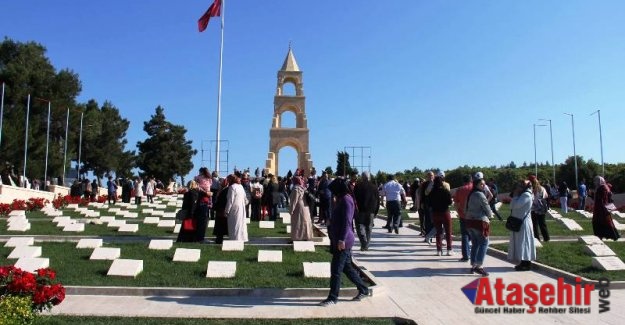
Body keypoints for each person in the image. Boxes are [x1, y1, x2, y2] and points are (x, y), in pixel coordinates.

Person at [319, 178, 371, 306]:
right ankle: (364, 289)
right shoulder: (342, 199)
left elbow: (347, 223)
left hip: (344, 240)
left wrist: (342, 239)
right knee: (347, 268)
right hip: (340, 239)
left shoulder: (347, 200)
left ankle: (332, 297)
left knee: (336, 270)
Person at [465, 177, 493, 276]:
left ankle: (473, 264)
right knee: (484, 243)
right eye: (481, 184)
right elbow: (487, 207)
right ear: (476, 185)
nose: (483, 186)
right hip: (479, 222)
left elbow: (466, 208)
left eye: (484, 184)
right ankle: (479, 265)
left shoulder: (471, 194)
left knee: (475, 243)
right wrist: (490, 215)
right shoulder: (480, 195)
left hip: (469, 221)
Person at [508, 179, 536, 271]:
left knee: (524, 243)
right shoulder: (523, 195)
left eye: (521, 186)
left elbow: (514, 206)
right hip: (520, 221)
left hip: (524, 223)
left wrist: (515, 195)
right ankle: (523, 262)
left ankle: (526, 263)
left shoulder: (526, 195)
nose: (518, 187)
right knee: (521, 243)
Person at [353, 171, 380, 251]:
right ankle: (366, 245)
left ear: (362, 177)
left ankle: (363, 243)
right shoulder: (374, 187)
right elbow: (377, 200)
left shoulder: (357, 186)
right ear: (369, 177)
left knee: (359, 227)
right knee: (369, 229)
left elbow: (355, 199)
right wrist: (376, 211)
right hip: (371, 211)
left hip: (360, 210)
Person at [429, 172, 453, 256]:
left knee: (438, 232)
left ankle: (439, 250)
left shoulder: (432, 193)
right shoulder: (445, 191)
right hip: (445, 212)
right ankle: (449, 249)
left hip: (435, 213)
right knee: (448, 231)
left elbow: (429, 203)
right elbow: (450, 202)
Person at [591, 176, 620, 241]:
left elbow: (604, 199)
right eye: (595, 180)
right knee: (598, 221)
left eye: (596, 180)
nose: (595, 182)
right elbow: (597, 198)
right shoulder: (599, 187)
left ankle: (612, 235)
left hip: (602, 208)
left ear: (600, 181)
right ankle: (600, 235)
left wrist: (602, 207)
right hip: (598, 208)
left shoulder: (603, 187)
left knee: (604, 221)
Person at [453, 175, 473, 262]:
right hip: (474, 215)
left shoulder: (460, 190)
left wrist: (458, 212)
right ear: (471, 180)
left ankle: (465, 255)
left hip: (463, 215)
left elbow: (456, 203)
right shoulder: (474, 188)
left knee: (464, 234)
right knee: (474, 234)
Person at [225, 174, 249, 242]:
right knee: (241, 223)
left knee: (235, 224)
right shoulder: (240, 186)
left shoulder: (232, 187)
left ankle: (235, 238)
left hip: (234, 208)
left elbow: (230, 200)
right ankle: (243, 238)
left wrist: (227, 211)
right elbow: (245, 199)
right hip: (241, 207)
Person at [289, 174, 313, 241]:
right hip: (305, 207)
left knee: (298, 223)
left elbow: (294, 200)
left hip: (298, 207)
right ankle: (306, 236)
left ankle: (297, 237)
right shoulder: (303, 187)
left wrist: (291, 210)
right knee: (305, 223)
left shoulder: (296, 189)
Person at [529, 175, 550, 242]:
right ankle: (546, 238)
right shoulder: (542, 188)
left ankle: (536, 238)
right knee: (542, 224)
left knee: (534, 225)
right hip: (541, 208)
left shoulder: (530, 189)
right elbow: (546, 196)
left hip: (533, 208)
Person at [213, 178, 230, 244]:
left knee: (221, 225)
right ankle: (219, 238)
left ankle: (219, 239)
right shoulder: (221, 190)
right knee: (219, 225)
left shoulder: (226, 190)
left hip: (222, 209)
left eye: (222, 182)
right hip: (219, 209)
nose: (220, 183)